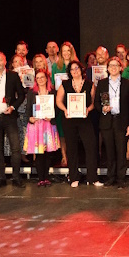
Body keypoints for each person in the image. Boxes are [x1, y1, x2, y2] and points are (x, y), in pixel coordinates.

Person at [0, 52, 27, 189]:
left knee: (15, 148)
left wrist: (13, 107)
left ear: (5, 61)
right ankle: (1, 178)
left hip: (9, 116)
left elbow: (22, 95)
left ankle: (16, 177)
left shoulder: (13, 76)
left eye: (0, 60)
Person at [56, 60, 100, 188]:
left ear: (81, 70)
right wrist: (65, 110)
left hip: (85, 119)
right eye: (72, 69)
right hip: (69, 119)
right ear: (69, 72)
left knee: (91, 147)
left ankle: (92, 178)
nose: (75, 71)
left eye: (77, 68)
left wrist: (88, 109)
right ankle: (74, 177)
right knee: (71, 148)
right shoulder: (65, 84)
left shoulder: (89, 84)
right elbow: (58, 101)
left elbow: (94, 102)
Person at [95, 57, 129, 188]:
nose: (113, 67)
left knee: (121, 151)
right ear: (107, 68)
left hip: (121, 121)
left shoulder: (127, 84)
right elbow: (96, 103)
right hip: (107, 121)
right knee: (109, 151)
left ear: (120, 68)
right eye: (111, 65)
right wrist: (103, 109)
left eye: (116, 65)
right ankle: (110, 177)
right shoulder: (102, 83)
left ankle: (121, 178)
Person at [24, 69, 60, 186]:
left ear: (47, 79)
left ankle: (46, 177)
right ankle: (40, 178)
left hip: (48, 125)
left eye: (42, 77)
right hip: (36, 126)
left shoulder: (53, 93)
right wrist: (30, 118)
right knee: (38, 152)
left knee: (48, 152)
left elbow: (57, 109)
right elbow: (28, 110)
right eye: (38, 78)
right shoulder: (32, 93)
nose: (40, 80)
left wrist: (52, 117)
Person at [53, 41, 79, 167]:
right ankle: (64, 156)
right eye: (64, 51)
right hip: (61, 102)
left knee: (73, 131)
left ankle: (73, 156)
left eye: (68, 50)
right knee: (62, 131)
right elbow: (54, 84)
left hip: (75, 102)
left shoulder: (77, 65)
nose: (66, 53)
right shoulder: (56, 66)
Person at [10, 54, 31, 163]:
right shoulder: (8, 75)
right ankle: (12, 155)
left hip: (24, 103)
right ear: (12, 64)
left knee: (24, 130)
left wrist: (24, 80)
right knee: (13, 131)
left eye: (20, 61)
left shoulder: (28, 72)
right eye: (16, 61)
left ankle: (23, 154)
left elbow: (30, 87)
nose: (18, 63)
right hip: (12, 104)